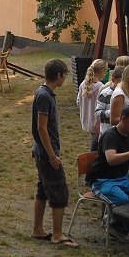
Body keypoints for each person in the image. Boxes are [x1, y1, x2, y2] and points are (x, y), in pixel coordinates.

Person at [30, 58, 76, 246]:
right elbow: (42, 128)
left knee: (43, 190)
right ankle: (58, 234)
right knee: (59, 191)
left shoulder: (45, 93)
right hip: (46, 153)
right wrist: (52, 155)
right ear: (58, 75)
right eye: (64, 75)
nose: (64, 79)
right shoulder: (44, 96)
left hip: (43, 152)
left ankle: (38, 230)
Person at [88, 105, 129, 243]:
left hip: (122, 178)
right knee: (123, 201)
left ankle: (119, 226)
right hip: (102, 180)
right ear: (123, 119)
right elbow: (111, 159)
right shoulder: (110, 136)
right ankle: (113, 225)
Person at [77, 59, 108, 149]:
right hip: (96, 122)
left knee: (95, 142)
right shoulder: (101, 87)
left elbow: (78, 102)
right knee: (96, 146)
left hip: (86, 120)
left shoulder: (83, 84)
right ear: (103, 71)